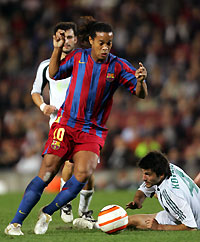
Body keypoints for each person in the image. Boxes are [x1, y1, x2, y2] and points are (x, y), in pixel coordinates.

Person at [5, 16, 148, 236]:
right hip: (66, 123)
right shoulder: (78, 57)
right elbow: (53, 73)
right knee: (46, 175)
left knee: (82, 174)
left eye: (109, 43)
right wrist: (57, 49)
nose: (105, 47)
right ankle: (15, 223)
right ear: (91, 40)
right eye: (101, 42)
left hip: (92, 131)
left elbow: (141, 95)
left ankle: (48, 211)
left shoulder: (118, 65)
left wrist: (140, 81)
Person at [31, 21, 95, 224]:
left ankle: (83, 211)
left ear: (76, 39)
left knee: (88, 170)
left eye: (69, 37)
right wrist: (43, 107)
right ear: (54, 39)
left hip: (85, 123)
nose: (66, 41)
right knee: (70, 163)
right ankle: (65, 202)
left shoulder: (84, 61)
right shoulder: (45, 66)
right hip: (59, 122)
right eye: (62, 37)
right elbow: (35, 91)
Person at [126, 151, 200, 230]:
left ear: (161, 175)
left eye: (147, 174)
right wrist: (137, 201)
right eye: (143, 173)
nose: (143, 178)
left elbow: (191, 227)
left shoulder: (171, 193)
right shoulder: (168, 168)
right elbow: (143, 190)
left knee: (131, 222)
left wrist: (159, 227)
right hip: (177, 214)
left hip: (196, 222)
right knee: (128, 221)